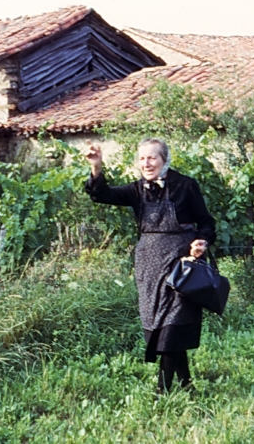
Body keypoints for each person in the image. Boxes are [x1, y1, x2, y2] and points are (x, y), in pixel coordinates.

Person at [84, 138, 216, 393]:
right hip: (149, 268)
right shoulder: (136, 190)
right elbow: (101, 195)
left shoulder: (186, 185)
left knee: (173, 327)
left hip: (181, 267)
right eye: (142, 158)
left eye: (152, 157)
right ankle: (187, 385)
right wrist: (96, 167)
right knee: (162, 327)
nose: (146, 163)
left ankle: (162, 391)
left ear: (164, 160)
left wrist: (202, 241)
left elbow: (207, 222)